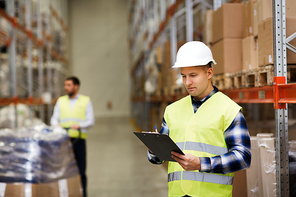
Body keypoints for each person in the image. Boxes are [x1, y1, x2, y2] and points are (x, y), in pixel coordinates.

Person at [147, 41, 251, 197]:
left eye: (193, 75)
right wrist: (153, 149)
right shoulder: (172, 110)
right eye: (184, 76)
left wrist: (202, 164)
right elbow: (158, 158)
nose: (187, 82)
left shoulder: (229, 110)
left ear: (209, 73)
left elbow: (243, 157)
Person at [51, 76, 94, 197]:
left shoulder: (85, 100)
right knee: (63, 170)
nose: (66, 88)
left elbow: (91, 120)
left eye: (69, 85)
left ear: (76, 86)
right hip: (63, 141)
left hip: (79, 140)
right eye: (65, 85)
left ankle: (83, 193)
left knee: (81, 170)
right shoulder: (61, 101)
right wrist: (56, 125)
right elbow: (54, 118)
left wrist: (79, 125)